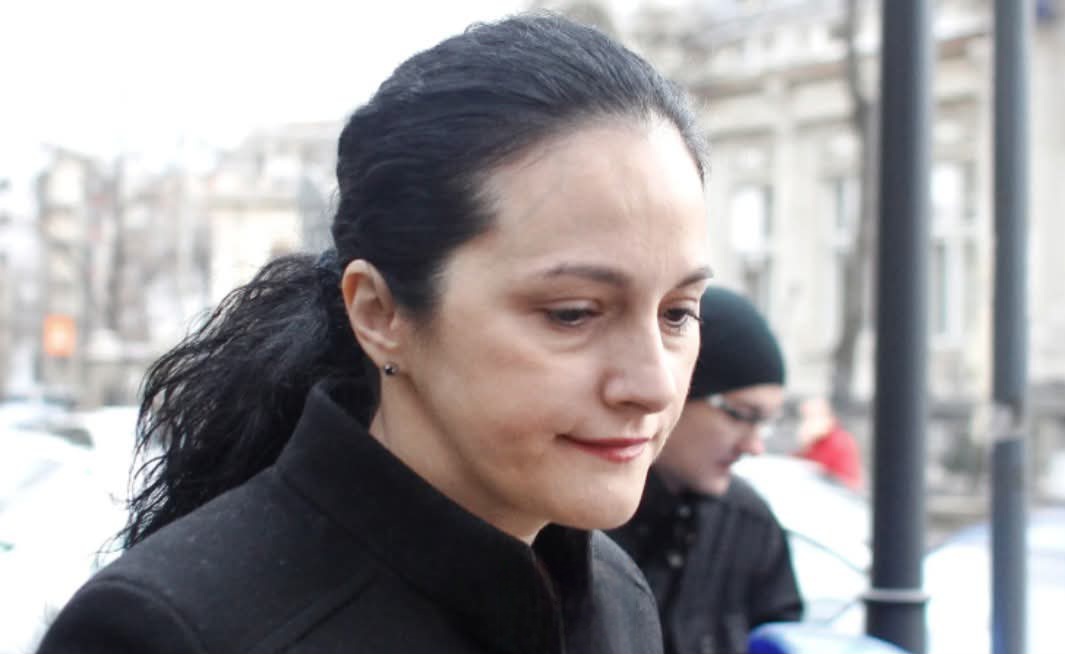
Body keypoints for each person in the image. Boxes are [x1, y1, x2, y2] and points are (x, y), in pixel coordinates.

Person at [36, 14, 715, 654]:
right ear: (380, 313)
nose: (653, 385)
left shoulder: (614, 597)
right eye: (573, 313)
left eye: (677, 313)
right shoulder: (170, 629)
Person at [609, 286, 803, 654]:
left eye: (764, 424)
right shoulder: (581, 518)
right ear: (676, 393)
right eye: (741, 415)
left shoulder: (750, 525)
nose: (754, 446)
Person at [795, 396, 864, 490]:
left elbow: (848, 481)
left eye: (813, 416)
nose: (807, 422)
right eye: (805, 418)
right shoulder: (809, 442)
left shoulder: (840, 441)